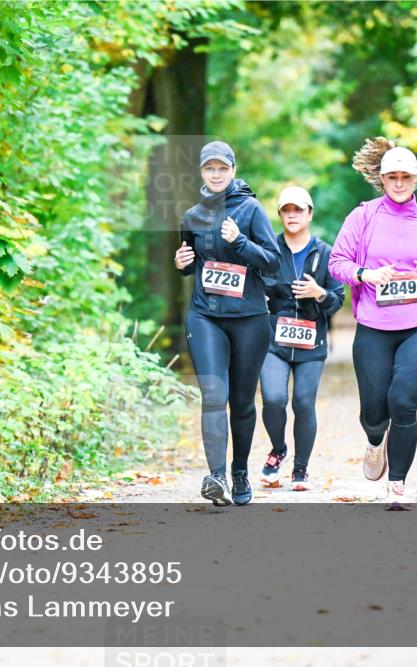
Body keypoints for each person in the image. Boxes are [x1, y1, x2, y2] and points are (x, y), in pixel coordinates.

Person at [328, 139, 417, 508]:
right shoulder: (363, 217)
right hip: (372, 327)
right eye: (392, 177)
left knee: (403, 403)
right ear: (381, 179)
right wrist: (365, 274)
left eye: (406, 177)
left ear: (416, 180)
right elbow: (337, 263)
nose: (399, 183)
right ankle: (373, 442)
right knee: (374, 412)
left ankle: (397, 484)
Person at [174, 141, 281, 506]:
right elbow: (191, 263)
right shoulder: (191, 215)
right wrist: (182, 261)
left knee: (241, 401)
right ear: (202, 172)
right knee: (214, 395)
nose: (216, 174)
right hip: (205, 316)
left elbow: (272, 262)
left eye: (222, 168)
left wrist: (240, 242)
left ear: (233, 170)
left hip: (249, 318)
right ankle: (216, 476)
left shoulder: (250, 209)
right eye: (210, 169)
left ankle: (239, 471)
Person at [258, 186, 344, 491]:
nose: (292, 215)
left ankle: (301, 469)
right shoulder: (269, 250)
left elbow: (337, 299)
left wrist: (318, 293)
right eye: (286, 210)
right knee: (273, 398)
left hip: (311, 342)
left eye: (298, 210)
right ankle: (278, 449)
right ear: (280, 215)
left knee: (303, 403)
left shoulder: (325, 253)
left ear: (309, 214)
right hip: (274, 342)